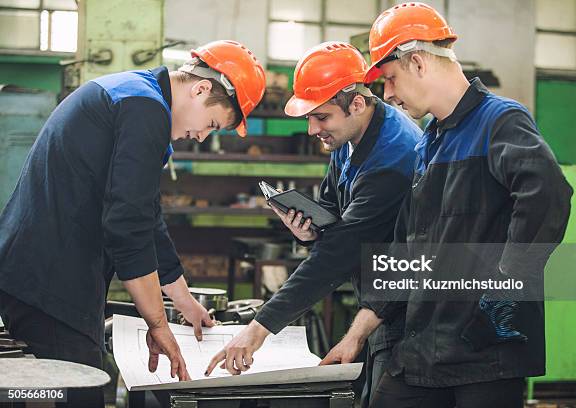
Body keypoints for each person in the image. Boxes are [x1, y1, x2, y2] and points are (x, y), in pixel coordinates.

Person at [0, 40, 265, 407]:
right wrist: (157, 323)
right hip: (49, 281)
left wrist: (184, 301)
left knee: (84, 390)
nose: (202, 136)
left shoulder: (135, 94)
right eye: (211, 124)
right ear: (201, 88)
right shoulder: (145, 109)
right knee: (81, 396)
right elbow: (127, 225)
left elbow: (146, 216)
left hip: (44, 273)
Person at [351, 3, 573, 407]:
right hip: (422, 352)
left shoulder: (500, 121)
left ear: (417, 62)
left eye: (390, 79)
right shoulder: (428, 143)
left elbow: (548, 195)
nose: (388, 95)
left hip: (483, 357)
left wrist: (505, 292)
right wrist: (357, 334)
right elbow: (408, 248)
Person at [205, 41, 422, 407]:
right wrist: (310, 230)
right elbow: (332, 211)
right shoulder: (349, 134)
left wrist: (259, 329)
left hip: (404, 308)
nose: (311, 129)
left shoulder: (393, 158)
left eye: (320, 117)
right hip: (376, 296)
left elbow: (337, 254)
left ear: (356, 103)